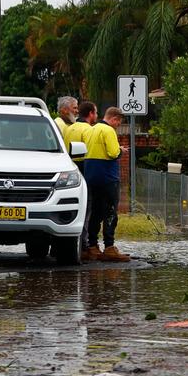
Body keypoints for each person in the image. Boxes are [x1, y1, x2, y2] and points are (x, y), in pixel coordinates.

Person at [84, 106, 130, 263]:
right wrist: (120, 151)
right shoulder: (108, 130)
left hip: (91, 176)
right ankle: (109, 248)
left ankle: (92, 246)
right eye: (118, 122)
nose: (118, 125)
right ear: (114, 119)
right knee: (110, 211)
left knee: (95, 213)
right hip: (107, 177)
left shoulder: (92, 129)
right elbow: (112, 153)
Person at [66, 101, 96, 257]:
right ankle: (83, 246)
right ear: (90, 114)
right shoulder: (88, 130)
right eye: (95, 113)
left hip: (69, 171)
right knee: (86, 207)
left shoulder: (69, 128)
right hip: (85, 169)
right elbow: (91, 152)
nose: (96, 116)